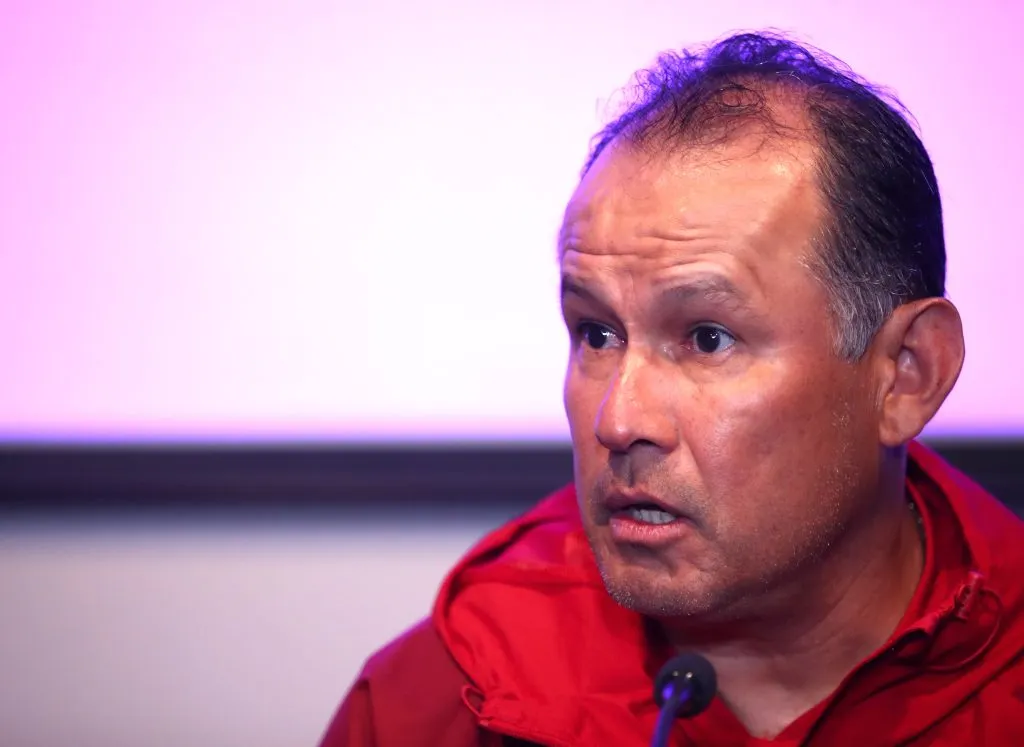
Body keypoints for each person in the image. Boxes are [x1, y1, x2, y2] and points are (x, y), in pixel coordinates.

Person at [319, 31, 1024, 746]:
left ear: (907, 373)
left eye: (708, 337)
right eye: (595, 333)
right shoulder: (439, 700)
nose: (618, 419)